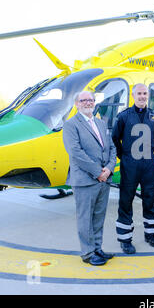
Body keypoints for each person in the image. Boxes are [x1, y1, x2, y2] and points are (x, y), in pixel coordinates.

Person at [63, 91, 117, 266]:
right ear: (77, 104)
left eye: (91, 100)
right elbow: (76, 153)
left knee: (98, 217)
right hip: (85, 180)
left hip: (104, 179)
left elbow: (111, 148)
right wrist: (98, 172)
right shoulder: (71, 125)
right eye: (83, 100)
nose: (88, 103)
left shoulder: (101, 123)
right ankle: (87, 253)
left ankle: (97, 248)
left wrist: (108, 169)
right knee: (85, 218)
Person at [112, 83, 154, 254]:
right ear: (133, 95)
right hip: (130, 164)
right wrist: (124, 156)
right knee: (126, 201)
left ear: (148, 95)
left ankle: (151, 234)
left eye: (145, 93)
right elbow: (114, 139)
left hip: (148, 164)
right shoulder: (123, 116)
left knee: (149, 198)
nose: (142, 96)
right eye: (139, 93)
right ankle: (125, 239)